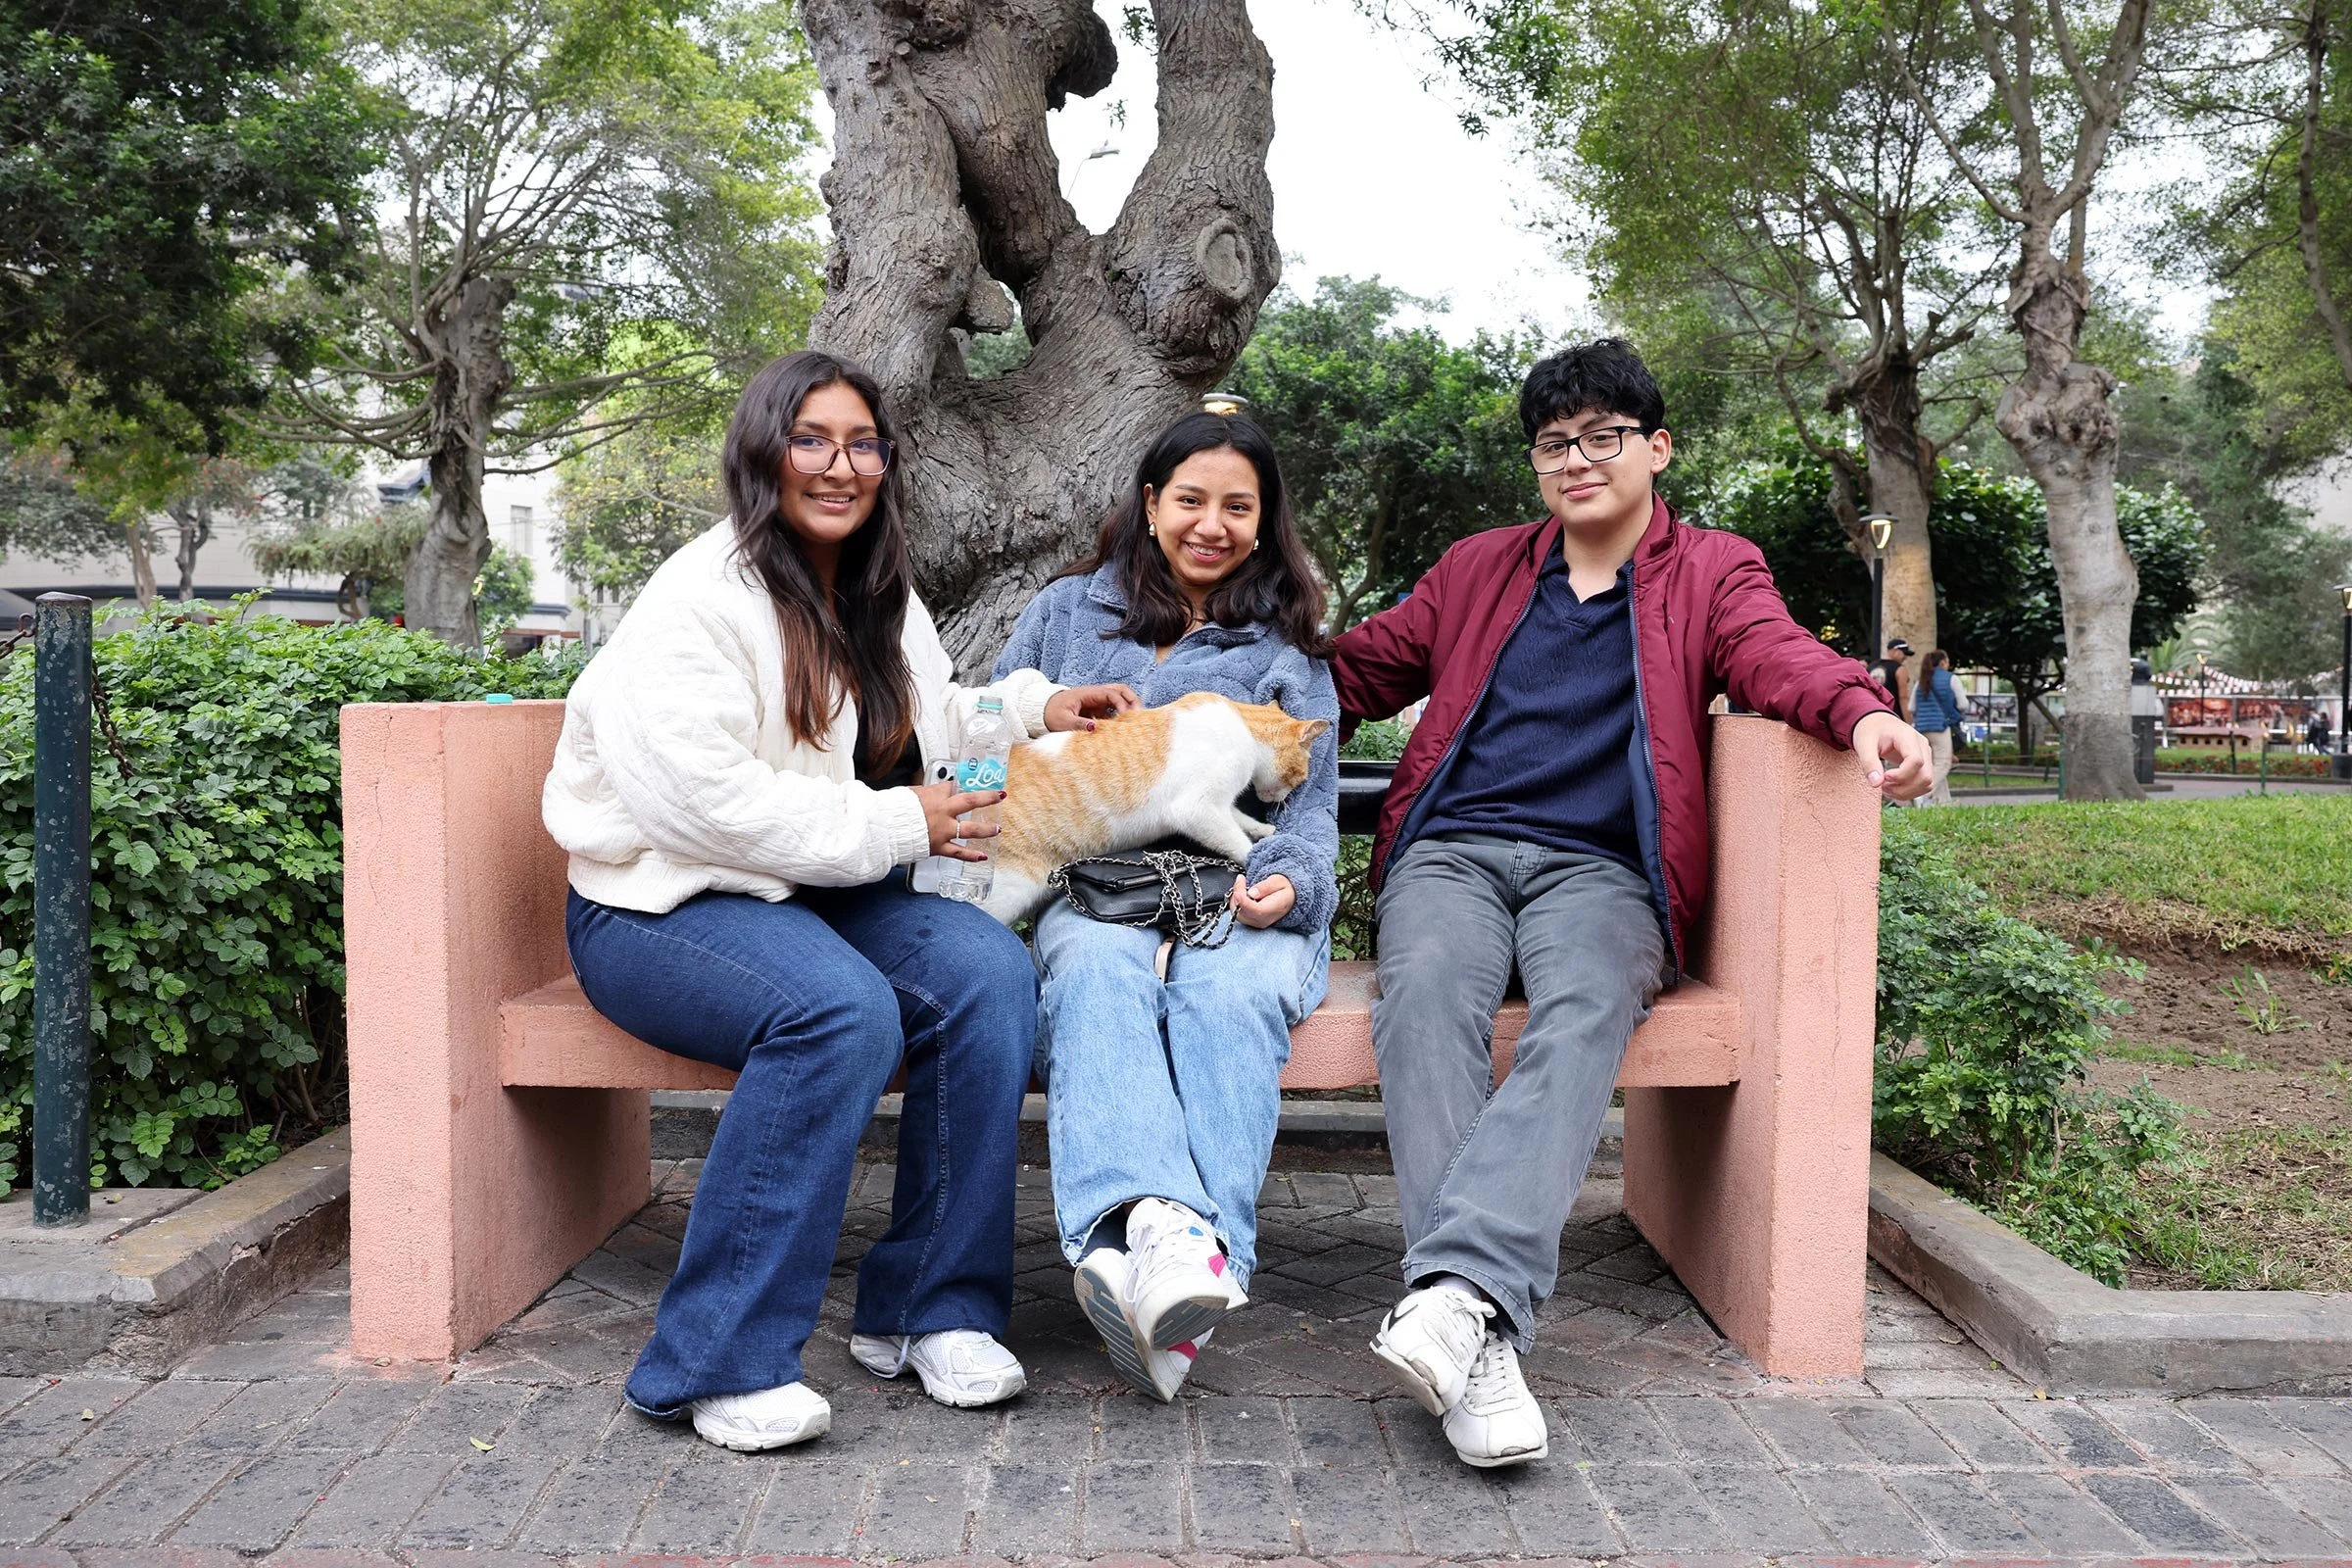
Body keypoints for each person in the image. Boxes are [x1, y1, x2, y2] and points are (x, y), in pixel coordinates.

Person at [1330, 338, 1932, 1469]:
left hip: (1603, 869)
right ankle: (1478, 1321)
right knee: (1424, 993)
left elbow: (1775, 656)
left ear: (1656, 448)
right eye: (1554, 443)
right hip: (1453, 851)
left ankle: (1455, 1299)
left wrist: (1861, 713)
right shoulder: (1478, 569)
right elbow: (1352, 672)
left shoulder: (1712, 569)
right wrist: (1203, 668)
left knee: (1588, 1004)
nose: (1577, 459)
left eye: (1602, 437)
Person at [543, 350, 1137, 1451]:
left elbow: (925, 717)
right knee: (837, 1012)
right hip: (658, 903)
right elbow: (701, 807)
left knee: (986, 972)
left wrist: (1039, 708)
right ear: (761, 453)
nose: (839, 465)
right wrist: (903, 825)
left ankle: (929, 1309)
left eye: (862, 443)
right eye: (810, 439)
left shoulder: (871, 587)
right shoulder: (697, 601)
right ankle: (715, 1361)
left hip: (808, 887)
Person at [992, 410, 1340, 1403]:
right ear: (1151, 503)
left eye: (1239, 507)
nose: (1211, 525)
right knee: (1095, 973)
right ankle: (1165, 1239)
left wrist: (1294, 885)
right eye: (1190, 500)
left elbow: (1308, 818)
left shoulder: (1286, 651)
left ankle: (1156, 1270)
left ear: (1265, 522)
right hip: (1092, 884)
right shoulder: (1067, 613)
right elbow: (995, 741)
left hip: (1237, 890)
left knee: (1229, 993)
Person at [1911, 650, 1969, 806]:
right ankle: (1921, 794)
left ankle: (1943, 802)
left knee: (1933, 765)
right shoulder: (1951, 679)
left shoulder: (1921, 680)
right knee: (1943, 764)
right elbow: (1963, 704)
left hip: (1920, 728)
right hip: (1940, 727)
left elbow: (1911, 707)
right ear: (1943, 662)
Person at [1872, 638, 1915, 719]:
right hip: (1894, 715)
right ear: (1896, 651)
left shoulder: (1871, 667)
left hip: (1874, 713)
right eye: (1904, 654)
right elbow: (1903, 697)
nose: (1905, 658)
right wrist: (1909, 721)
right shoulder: (1900, 669)